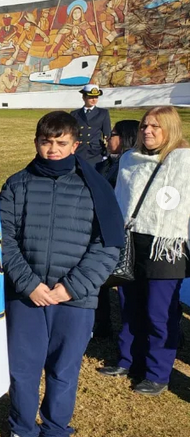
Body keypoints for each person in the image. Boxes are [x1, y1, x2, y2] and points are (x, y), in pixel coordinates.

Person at [0, 111, 121, 437]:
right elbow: (2, 237)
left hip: (75, 300)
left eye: (60, 143)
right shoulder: (18, 184)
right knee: (23, 369)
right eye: (45, 142)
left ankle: (55, 432)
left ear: (75, 144)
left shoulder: (95, 187)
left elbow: (109, 245)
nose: (52, 149)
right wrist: (29, 284)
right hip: (28, 297)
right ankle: (22, 428)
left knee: (64, 370)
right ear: (36, 142)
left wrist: (70, 288)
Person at [99, 106, 190, 397]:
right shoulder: (128, 159)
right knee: (129, 305)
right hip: (132, 242)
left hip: (167, 246)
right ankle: (128, 360)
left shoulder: (185, 161)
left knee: (159, 313)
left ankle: (157, 372)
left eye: (155, 126)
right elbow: (119, 201)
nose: (147, 131)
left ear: (170, 129)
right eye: (144, 126)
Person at [93, 119, 139, 338]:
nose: (108, 138)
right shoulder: (104, 164)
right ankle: (101, 325)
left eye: (113, 134)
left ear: (127, 137)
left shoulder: (131, 168)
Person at [70, 85, 112, 166]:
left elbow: (107, 135)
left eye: (96, 97)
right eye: (91, 97)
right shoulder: (75, 114)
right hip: (79, 150)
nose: (94, 100)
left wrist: (106, 153)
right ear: (84, 97)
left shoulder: (103, 113)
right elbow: (71, 134)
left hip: (95, 152)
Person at [95, 119, 139, 187]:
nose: (107, 139)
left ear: (125, 137)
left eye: (112, 135)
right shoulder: (106, 164)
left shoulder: (132, 168)